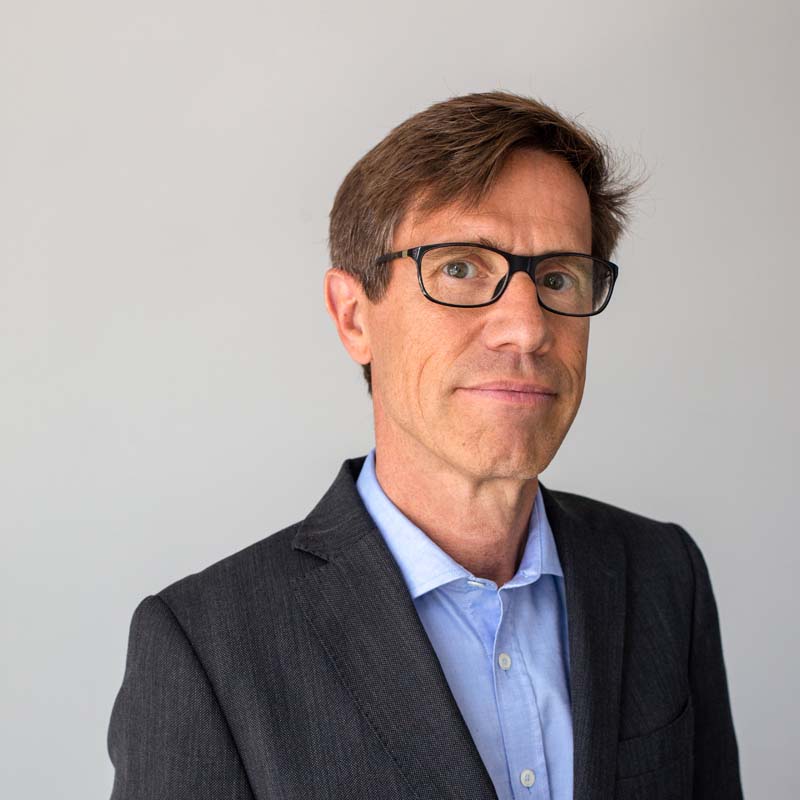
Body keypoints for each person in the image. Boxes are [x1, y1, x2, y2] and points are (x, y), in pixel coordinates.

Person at [107, 91, 743, 800]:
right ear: (354, 316)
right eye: (460, 269)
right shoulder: (206, 648)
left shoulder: (664, 575)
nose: (527, 328)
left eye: (559, 277)